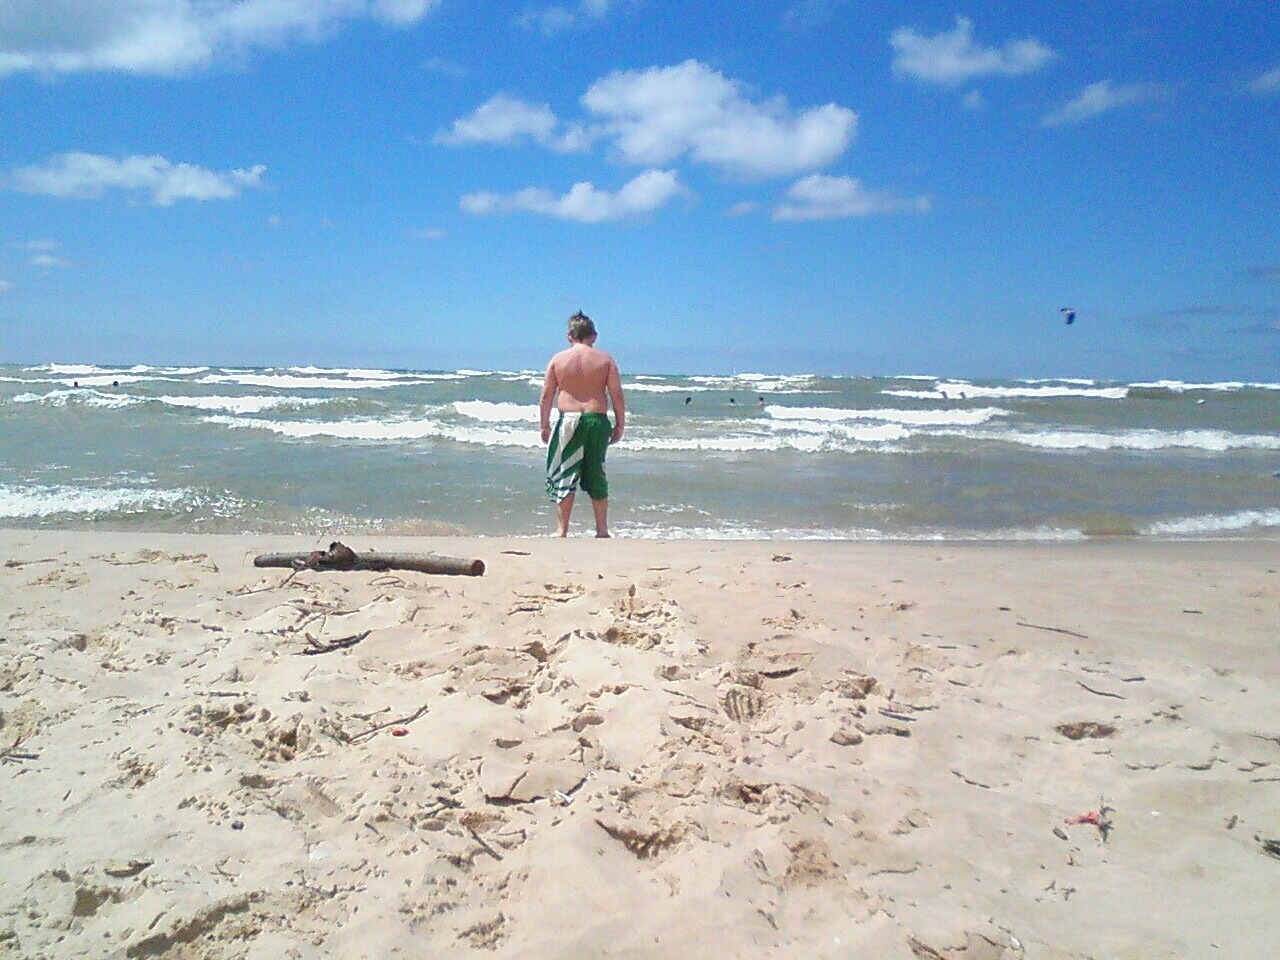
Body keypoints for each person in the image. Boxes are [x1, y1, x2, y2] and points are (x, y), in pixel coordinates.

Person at [539, 311, 626, 537]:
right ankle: (602, 529)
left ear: (569, 335)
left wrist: (544, 425)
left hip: (568, 420)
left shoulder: (558, 360)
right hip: (596, 420)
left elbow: (546, 396)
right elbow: (617, 395)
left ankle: (562, 529)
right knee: (596, 472)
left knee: (566, 471)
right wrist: (620, 424)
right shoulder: (605, 360)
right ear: (594, 336)